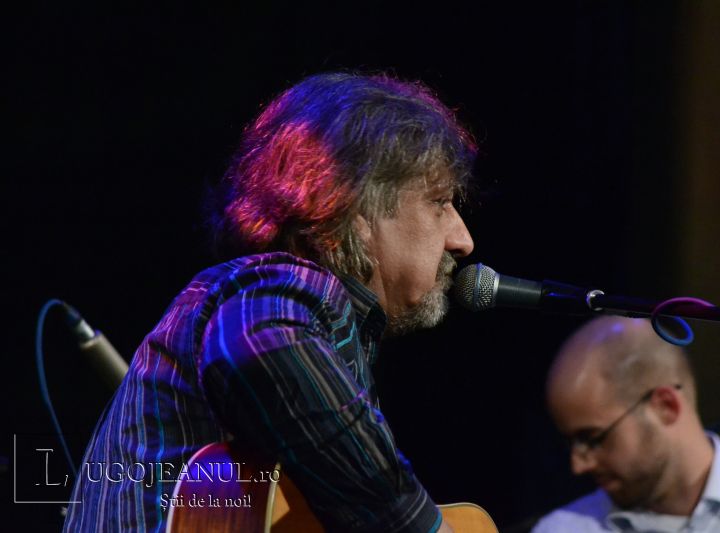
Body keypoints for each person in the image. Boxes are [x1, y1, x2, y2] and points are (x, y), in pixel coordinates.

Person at [64, 72, 476, 533]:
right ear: (355, 210)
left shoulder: (319, 317)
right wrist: (417, 524)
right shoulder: (283, 285)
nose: (463, 239)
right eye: (440, 202)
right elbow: (260, 341)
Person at [534, 315, 720, 533]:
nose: (578, 465)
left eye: (593, 438)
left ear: (666, 406)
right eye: (571, 443)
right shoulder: (564, 529)